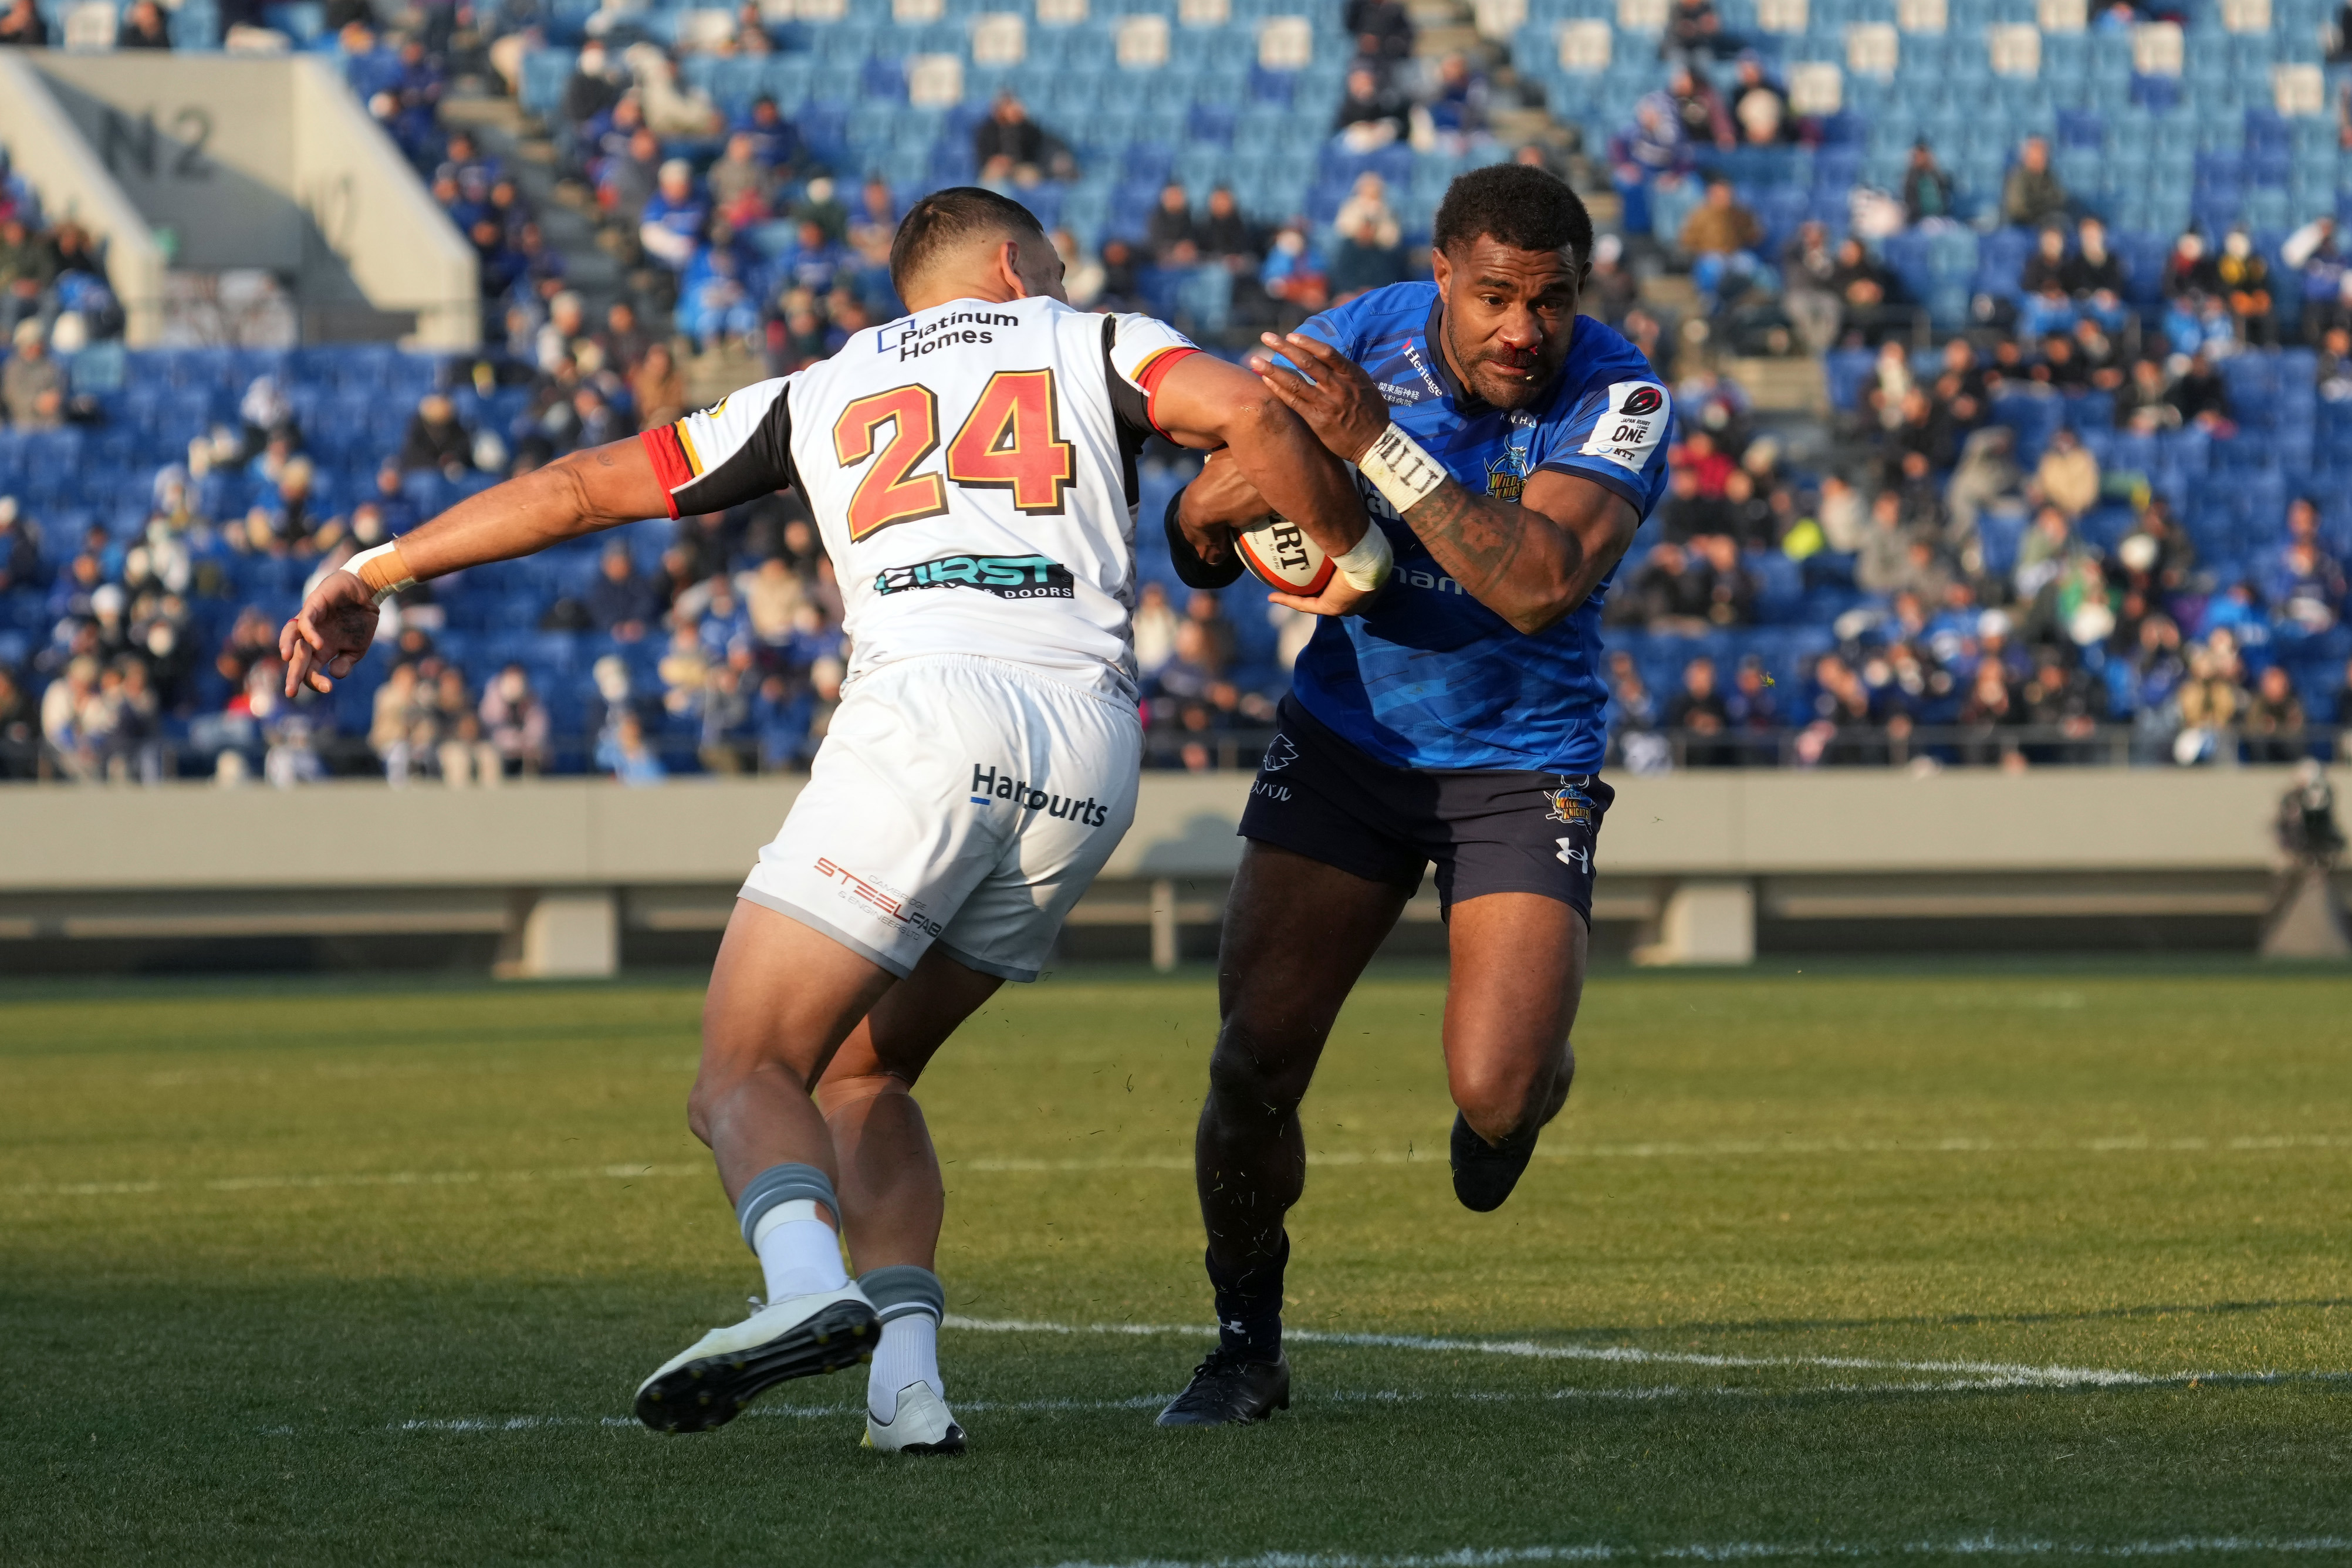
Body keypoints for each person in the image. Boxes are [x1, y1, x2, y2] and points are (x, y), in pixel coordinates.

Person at [275, 187, 1381, 1454]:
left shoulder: (818, 387)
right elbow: (1251, 410)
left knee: (741, 1071)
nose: (1065, 289)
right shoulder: (1101, 340)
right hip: (1090, 750)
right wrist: (1347, 546)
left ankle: (803, 1293)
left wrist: (374, 571)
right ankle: (908, 1389)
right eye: (1058, 272)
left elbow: (585, 490)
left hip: (931, 717)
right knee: (866, 1070)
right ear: (1016, 268)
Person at [1161, 163, 1672, 1424]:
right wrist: (1231, 509)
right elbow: (1195, 538)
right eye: (1494, 296)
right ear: (1442, 274)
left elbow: (1538, 581)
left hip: (1520, 762)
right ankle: (1245, 1345)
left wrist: (1367, 451)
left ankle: (1529, 1096)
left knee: (1495, 1089)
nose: (1521, 331)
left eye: (1548, 303)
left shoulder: (1628, 395)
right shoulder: (1351, 341)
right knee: (1250, 1067)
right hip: (1348, 746)